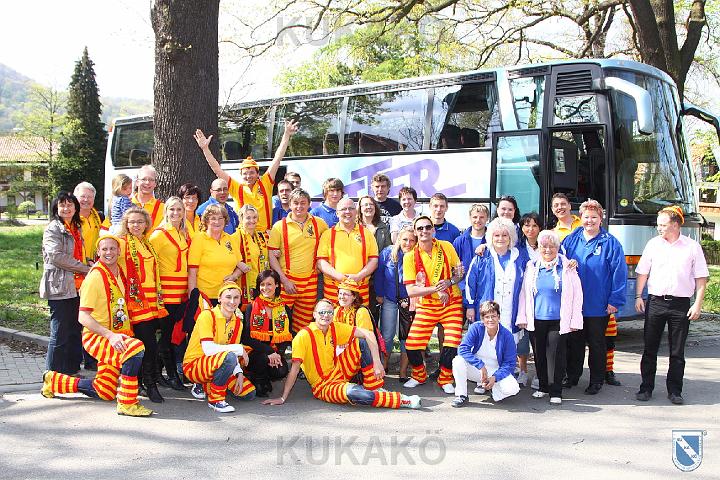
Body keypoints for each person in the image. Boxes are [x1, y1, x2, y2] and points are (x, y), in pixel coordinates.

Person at [41, 234, 153, 417]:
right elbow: (83, 316)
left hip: (116, 335)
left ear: (119, 251)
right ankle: (127, 403)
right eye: (104, 249)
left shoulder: (119, 272)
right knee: (134, 349)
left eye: (112, 248)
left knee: (105, 390)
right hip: (97, 337)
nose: (109, 252)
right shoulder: (95, 277)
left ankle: (53, 380)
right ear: (98, 252)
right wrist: (110, 336)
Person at [262, 299, 421, 409]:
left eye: (329, 312)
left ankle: (374, 388)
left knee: (362, 341)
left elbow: (368, 333)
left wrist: (377, 362)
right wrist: (282, 398)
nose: (326, 315)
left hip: (339, 369)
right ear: (314, 314)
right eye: (322, 312)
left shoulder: (334, 327)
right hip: (324, 385)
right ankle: (401, 400)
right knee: (355, 394)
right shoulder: (303, 336)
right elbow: (294, 369)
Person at [635, 206, 709, 405]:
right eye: (658, 225)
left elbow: (701, 278)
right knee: (649, 348)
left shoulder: (692, 247)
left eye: (663, 225)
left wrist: (697, 304)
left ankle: (675, 390)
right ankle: (646, 388)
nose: (659, 228)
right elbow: (642, 272)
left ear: (675, 225)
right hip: (656, 302)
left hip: (680, 304)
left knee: (677, 351)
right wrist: (638, 296)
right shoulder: (653, 245)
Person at [561, 199, 627, 395]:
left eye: (594, 217)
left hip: (598, 304)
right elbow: (558, 262)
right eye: (586, 217)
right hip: (575, 304)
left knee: (597, 343)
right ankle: (572, 376)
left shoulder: (611, 243)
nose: (589, 221)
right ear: (580, 218)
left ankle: (596, 380)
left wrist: (615, 300)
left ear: (601, 218)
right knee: (574, 342)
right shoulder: (571, 240)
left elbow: (619, 273)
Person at [194, 119, 298, 233]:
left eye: (252, 173)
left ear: (258, 174)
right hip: (244, 236)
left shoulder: (265, 183)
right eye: (245, 173)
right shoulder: (236, 187)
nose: (248, 176)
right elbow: (217, 169)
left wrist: (286, 134)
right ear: (241, 175)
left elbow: (277, 159)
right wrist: (205, 149)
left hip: (265, 235)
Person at [517, 230, 583, 404]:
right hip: (536, 319)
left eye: (551, 246)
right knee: (539, 355)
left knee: (555, 356)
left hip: (558, 320)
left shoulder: (567, 267)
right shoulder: (532, 266)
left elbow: (578, 295)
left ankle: (556, 391)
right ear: (539, 247)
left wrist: (575, 320)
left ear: (557, 247)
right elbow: (524, 293)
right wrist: (522, 317)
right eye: (544, 246)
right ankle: (543, 387)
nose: (547, 250)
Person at [464, 217, 530, 386]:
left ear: (511, 237)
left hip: (510, 310)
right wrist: (470, 306)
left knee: (507, 346)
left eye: (504, 235)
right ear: (491, 237)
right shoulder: (482, 256)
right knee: (485, 346)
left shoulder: (520, 257)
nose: (500, 239)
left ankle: (502, 379)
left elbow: (527, 284)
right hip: (488, 311)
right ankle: (482, 380)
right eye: (497, 235)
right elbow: (471, 282)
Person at [402, 216, 465, 393]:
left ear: (433, 230)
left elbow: (459, 273)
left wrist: (450, 281)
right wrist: (436, 289)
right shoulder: (409, 257)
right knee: (412, 345)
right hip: (427, 305)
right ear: (415, 232)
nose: (424, 231)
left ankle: (445, 378)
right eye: (420, 228)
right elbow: (411, 291)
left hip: (451, 303)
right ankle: (419, 375)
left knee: (452, 342)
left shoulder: (447, 246)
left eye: (428, 227)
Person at [117, 207, 169, 403]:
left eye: (140, 222)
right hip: (136, 301)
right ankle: (149, 383)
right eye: (132, 222)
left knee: (146, 343)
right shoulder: (121, 243)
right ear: (126, 224)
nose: (136, 225)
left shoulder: (147, 243)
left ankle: (140, 382)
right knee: (147, 343)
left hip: (152, 300)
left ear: (146, 224)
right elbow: (107, 258)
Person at [183, 282, 256, 413]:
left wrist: (239, 373)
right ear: (219, 299)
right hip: (194, 365)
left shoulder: (238, 323)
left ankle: (209, 385)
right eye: (228, 297)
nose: (232, 301)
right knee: (229, 356)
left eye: (236, 297)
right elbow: (208, 349)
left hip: (220, 362)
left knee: (249, 393)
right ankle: (216, 400)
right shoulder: (207, 315)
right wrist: (239, 348)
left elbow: (232, 350)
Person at [40, 192, 92, 375]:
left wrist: (88, 262)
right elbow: (57, 257)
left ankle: (70, 371)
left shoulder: (76, 227)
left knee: (74, 331)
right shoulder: (53, 229)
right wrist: (84, 268)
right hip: (59, 287)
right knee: (59, 333)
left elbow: (77, 253)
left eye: (70, 205)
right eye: (62, 205)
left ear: (76, 207)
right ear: (56, 208)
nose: (66, 208)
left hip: (77, 287)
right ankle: (52, 375)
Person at [268, 188, 328, 333]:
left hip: (310, 282)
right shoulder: (279, 226)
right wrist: (284, 280)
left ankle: (299, 346)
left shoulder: (319, 224)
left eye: (303, 203)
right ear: (290, 204)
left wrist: (321, 263)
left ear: (309, 204)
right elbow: (271, 255)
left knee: (303, 324)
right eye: (295, 203)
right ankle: (280, 347)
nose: (299, 206)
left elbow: (329, 245)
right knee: (279, 321)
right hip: (287, 281)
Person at [148, 196, 190, 391]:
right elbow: (151, 265)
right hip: (166, 293)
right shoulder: (158, 235)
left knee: (174, 335)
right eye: (172, 209)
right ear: (166, 212)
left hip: (181, 292)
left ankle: (158, 373)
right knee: (166, 336)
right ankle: (172, 376)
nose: (176, 213)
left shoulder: (183, 232)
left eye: (179, 209)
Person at [452, 301, 520, 406]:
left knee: (513, 389)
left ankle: (492, 388)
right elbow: (462, 349)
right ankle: (461, 395)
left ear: (499, 317)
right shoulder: (476, 328)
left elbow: (510, 363)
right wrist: (480, 365)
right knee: (458, 361)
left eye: (494, 316)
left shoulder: (507, 335)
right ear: (482, 319)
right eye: (487, 317)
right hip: (477, 369)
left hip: (496, 370)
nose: (490, 320)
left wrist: (495, 377)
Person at [317, 197, 379, 305]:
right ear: (337, 213)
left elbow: (374, 260)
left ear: (356, 212)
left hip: (360, 289)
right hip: (334, 290)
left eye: (351, 208)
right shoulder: (327, 234)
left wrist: (359, 276)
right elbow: (321, 262)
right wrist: (339, 277)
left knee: (360, 315)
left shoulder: (367, 233)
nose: (347, 212)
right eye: (343, 209)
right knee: (334, 316)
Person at [375, 227, 418, 380]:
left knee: (406, 336)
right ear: (399, 239)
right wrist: (379, 293)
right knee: (387, 334)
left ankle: (403, 370)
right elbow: (379, 274)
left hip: (409, 301)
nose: (408, 243)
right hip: (390, 299)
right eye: (405, 239)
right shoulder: (388, 253)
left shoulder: (417, 255)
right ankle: (384, 364)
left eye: (412, 240)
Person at [242, 270, 293, 397]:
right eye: (262, 284)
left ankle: (264, 378)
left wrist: (278, 354)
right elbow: (246, 338)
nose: (265, 288)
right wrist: (269, 352)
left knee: (281, 371)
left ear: (277, 285)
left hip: (273, 351)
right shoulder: (251, 307)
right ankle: (257, 379)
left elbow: (288, 336)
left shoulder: (284, 309)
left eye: (269, 284)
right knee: (263, 358)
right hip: (252, 352)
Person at [188, 204, 248, 303]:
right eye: (213, 218)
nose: (217, 222)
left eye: (220, 218)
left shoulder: (230, 239)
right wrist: (193, 299)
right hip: (205, 297)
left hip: (228, 296)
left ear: (225, 220)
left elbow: (240, 265)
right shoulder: (199, 239)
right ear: (206, 221)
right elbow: (192, 272)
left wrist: (234, 276)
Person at [233, 204, 270, 308]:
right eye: (248, 218)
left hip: (262, 284)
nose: (252, 221)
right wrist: (239, 264)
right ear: (241, 219)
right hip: (244, 284)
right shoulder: (235, 237)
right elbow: (229, 255)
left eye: (254, 217)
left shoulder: (262, 236)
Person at [452, 203, 489, 293]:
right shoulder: (459, 241)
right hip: (463, 289)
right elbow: (452, 266)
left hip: (485, 289)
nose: (478, 220)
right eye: (475, 217)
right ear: (470, 218)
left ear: (487, 218)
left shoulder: (492, 240)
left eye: (482, 217)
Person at [73, 181, 103, 261]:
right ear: (75, 198)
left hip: (95, 263)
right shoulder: (70, 219)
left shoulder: (100, 217)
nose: (86, 199)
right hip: (75, 265)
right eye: (82, 196)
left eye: (90, 197)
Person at [131, 165, 165, 230]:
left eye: (151, 180)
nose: (147, 182)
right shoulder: (125, 205)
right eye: (144, 179)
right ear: (137, 182)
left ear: (155, 184)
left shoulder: (163, 208)